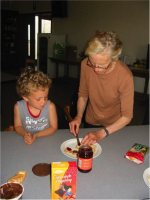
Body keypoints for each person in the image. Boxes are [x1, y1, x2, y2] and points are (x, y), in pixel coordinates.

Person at [69, 30, 134, 145]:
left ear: (114, 58)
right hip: (92, 120)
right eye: (92, 63)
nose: (95, 69)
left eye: (102, 65)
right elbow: (83, 95)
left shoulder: (125, 75)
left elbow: (127, 116)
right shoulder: (85, 64)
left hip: (115, 125)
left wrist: (102, 133)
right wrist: (79, 116)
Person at [14, 69, 57, 145]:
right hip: (25, 141)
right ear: (26, 98)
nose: (44, 101)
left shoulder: (50, 106)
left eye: (46, 97)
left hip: (46, 140)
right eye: (38, 99)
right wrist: (25, 134)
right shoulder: (18, 107)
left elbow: (53, 127)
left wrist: (36, 135)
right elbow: (18, 126)